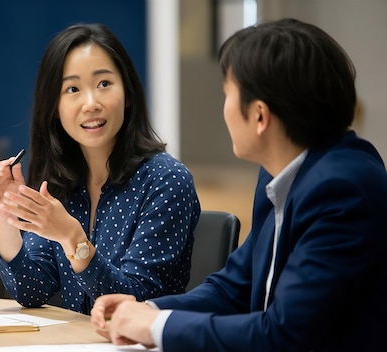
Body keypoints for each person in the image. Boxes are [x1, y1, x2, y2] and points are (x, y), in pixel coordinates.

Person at [91, 18, 387, 351]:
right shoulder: (282, 172)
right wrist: (148, 309)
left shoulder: (342, 190)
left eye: (227, 95)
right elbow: (235, 287)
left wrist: (158, 326)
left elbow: (282, 336)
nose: (224, 109)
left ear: (260, 116)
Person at [0, 23, 200, 315]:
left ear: (129, 94)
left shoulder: (165, 180)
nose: (91, 103)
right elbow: (31, 290)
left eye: (104, 84)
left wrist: (74, 239)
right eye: (72, 89)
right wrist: (5, 217)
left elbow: (133, 303)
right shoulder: (60, 179)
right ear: (54, 107)